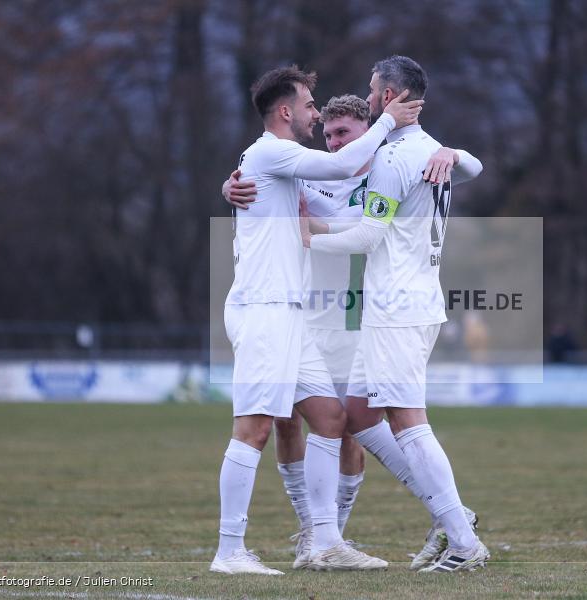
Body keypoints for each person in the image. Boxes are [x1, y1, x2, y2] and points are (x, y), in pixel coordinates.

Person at [223, 93, 483, 569]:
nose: (334, 140)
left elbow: (364, 236)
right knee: (296, 421)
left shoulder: (383, 173)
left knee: (349, 425)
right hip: (302, 311)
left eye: (344, 134)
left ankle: (381, 525)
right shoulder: (314, 169)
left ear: (370, 135)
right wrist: (231, 186)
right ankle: (318, 534)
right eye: (329, 133)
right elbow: (263, 176)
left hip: (355, 318)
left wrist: (452, 152)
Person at [212, 65, 423, 576]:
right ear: (286, 110)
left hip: (292, 316)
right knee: (255, 428)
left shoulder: (272, 159)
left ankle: (324, 543)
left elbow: (344, 175)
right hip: (264, 309)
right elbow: (343, 162)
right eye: (309, 104)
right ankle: (230, 551)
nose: (315, 111)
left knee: (329, 418)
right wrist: (388, 121)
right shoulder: (271, 150)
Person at [303, 56, 490, 573]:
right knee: (359, 415)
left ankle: (463, 539)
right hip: (409, 302)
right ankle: (451, 515)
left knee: (410, 422)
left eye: (370, 90)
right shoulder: (431, 149)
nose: (366, 98)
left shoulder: (394, 158)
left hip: (397, 307)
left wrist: (303, 239)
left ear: (388, 97)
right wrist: (457, 152)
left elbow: (367, 236)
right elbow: (475, 167)